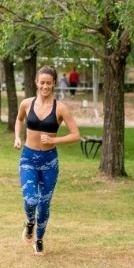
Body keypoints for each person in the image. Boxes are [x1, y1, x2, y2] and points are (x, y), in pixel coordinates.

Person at [13, 65, 80, 255]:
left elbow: (75, 135)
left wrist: (53, 140)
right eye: (42, 83)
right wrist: (17, 137)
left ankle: (39, 239)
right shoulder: (26, 104)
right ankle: (29, 223)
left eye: (49, 83)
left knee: (44, 203)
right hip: (28, 158)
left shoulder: (61, 108)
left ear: (54, 84)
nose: (45, 86)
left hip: (49, 161)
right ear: (36, 83)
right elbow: (19, 120)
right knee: (31, 199)